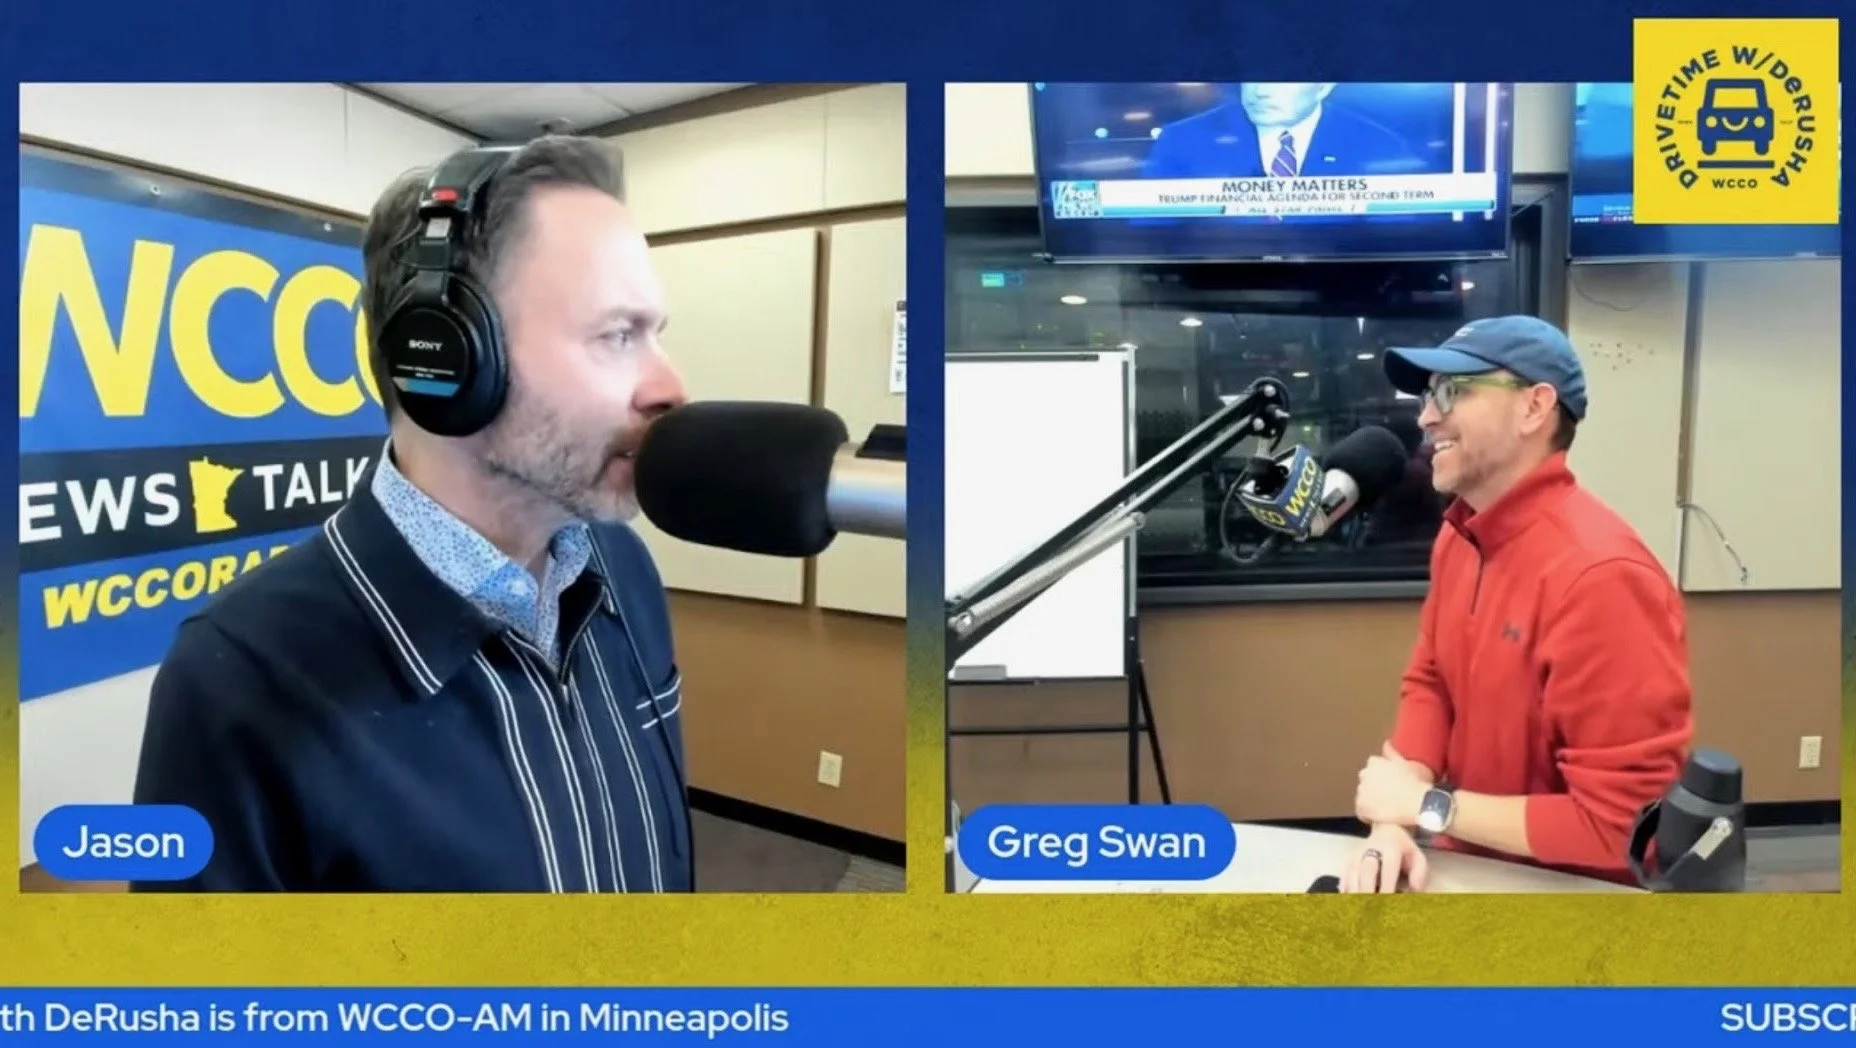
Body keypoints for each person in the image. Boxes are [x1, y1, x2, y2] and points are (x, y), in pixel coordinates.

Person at [132, 136, 695, 892]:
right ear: (446, 360)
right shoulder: (239, 679)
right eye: (617, 335)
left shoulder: (622, 569)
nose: (671, 386)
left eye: (657, 334)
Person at [1339, 315, 1693, 893]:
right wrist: (1392, 822)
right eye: (1429, 396)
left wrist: (1427, 806)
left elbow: (1622, 824)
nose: (1427, 416)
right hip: (1472, 871)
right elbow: (1432, 682)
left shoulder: (1603, 577)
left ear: (1534, 407)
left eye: (1452, 392)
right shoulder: (1460, 536)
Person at [1142, 82, 1427, 180]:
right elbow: (1149, 238)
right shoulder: (1180, 140)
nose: (1260, 92)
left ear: (1324, 87)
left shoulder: (1381, 146)